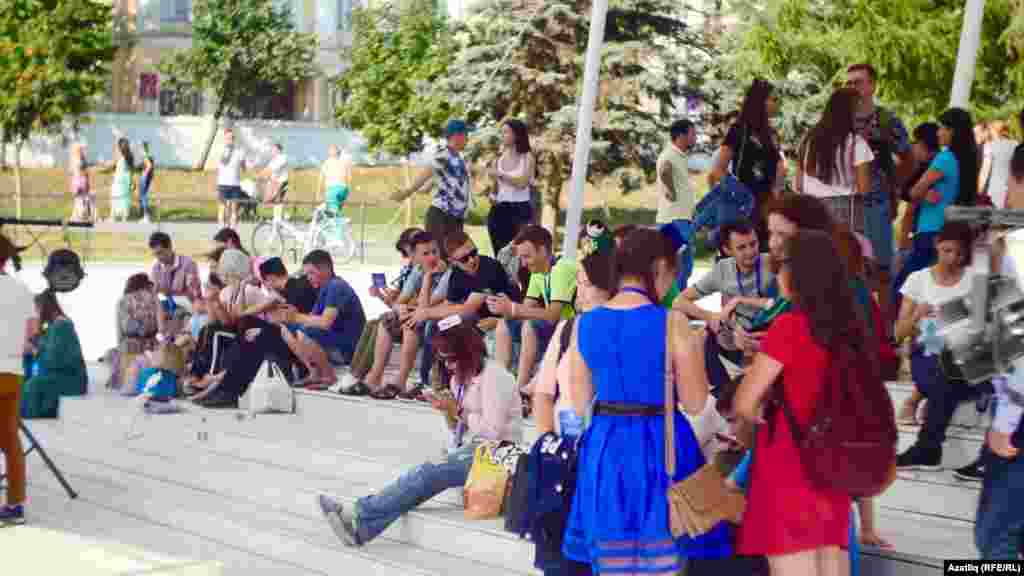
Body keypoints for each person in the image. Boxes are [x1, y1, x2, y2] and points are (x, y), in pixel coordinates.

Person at [562, 227, 730, 573]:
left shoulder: (585, 323)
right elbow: (696, 402)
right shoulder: (673, 322)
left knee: (612, 557)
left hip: (606, 447)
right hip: (661, 443)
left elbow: (578, 403)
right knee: (662, 555)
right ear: (659, 268)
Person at [317, 314, 522, 548]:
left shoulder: (495, 376)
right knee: (425, 473)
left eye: (451, 358)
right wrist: (447, 410)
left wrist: (457, 411)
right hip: (473, 448)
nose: (448, 365)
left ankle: (359, 518)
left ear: (469, 351)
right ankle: (362, 523)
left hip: (500, 454)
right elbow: (460, 427)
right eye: (443, 358)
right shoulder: (459, 379)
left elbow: (494, 433)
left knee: (428, 472)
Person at [734, 229, 868, 576]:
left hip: (790, 467)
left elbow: (745, 403)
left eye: (781, 266)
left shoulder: (789, 328)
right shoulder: (849, 330)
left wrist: (761, 407)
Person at [846, 63, 913, 330]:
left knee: (881, 272)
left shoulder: (887, 120)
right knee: (848, 272)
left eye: (859, 82)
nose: (853, 87)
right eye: (849, 83)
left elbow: (908, 158)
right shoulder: (838, 121)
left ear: (872, 85)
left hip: (876, 206)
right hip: (844, 207)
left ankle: (885, 333)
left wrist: (893, 188)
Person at [675, 218, 774, 395]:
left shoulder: (771, 264)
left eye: (753, 244)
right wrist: (711, 316)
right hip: (733, 334)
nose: (750, 252)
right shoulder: (722, 269)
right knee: (704, 337)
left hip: (767, 334)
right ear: (727, 250)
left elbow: (784, 303)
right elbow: (679, 301)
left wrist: (740, 301)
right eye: (741, 247)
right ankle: (723, 393)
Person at [892, 107, 978, 310]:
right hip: (954, 231)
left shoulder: (945, 158)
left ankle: (897, 329)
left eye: (942, 128)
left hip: (931, 231)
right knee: (938, 292)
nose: (938, 133)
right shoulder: (968, 159)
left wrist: (922, 194)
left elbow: (915, 191)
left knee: (902, 290)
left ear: (953, 131)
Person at [490, 225, 577, 398]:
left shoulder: (562, 268)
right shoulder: (538, 273)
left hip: (570, 329)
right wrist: (503, 308)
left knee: (529, 326)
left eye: (527, 256)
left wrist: (513, 308)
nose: (523, 263)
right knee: (503, 324)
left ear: (543, 251)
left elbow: (553, 315)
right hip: (554, 328)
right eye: (521, 257)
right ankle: (500, 383)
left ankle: (519, 391)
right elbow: (524, 310)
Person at [709, 79, 783, 242]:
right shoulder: (738, 130)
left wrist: (776, 194)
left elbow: (778, 166)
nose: (777, 103)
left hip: (766, 207)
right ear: (760, 102)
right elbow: (718, 169)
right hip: (744, 208)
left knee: (766, 252)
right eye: (773, 99)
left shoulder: (770, 133)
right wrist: (739, 192)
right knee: (744, 251)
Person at [279, 250, 367, 387]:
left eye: (311, 273)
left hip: (350, 349)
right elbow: (312, 318)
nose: (308, 278)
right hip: (335, 340)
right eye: (307, 274)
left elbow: (325, 322)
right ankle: (314, 373)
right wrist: (293, 315)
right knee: (286, 329)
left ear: (326, 269)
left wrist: (296, 317)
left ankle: (328, 376)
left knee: (304, 332)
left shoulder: (336, 286)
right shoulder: (325, 288)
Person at [794, 88, 874, 231]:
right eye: (860, 109)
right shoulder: (856, 143)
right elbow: (864, 188)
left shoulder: (807, 140)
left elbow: (798, 185)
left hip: (810, 211)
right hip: (846, 212)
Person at [392, 119, 471, 257]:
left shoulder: (458, 158)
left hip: (455, 217)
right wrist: (407, 192)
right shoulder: (444, 155)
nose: (467, 139)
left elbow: (439, 179)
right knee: (441, 257)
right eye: (466, 135)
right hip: (442, 216)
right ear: (456, 136)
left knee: (455, 257)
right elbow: (427, 172)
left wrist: (426, 189)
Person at [0, 233, 33, 525]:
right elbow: (32, 331)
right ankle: (15, 505)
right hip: (13, 372)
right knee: (11, 441)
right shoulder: (21, 289)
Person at [21, 291, 88, 419]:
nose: (36, 313)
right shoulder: (52, 325)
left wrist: (36, 349)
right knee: (27, 377)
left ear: (45, 307)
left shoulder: (61, 325)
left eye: (37, 309)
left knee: (33, 384)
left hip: (72, 380)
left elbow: (54, 360)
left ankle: (26, 417)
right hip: (60, 375)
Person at [487, 119, 536, 255]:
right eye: (502, 132)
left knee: (519, 254)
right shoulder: (498, 160)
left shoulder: (527, 157)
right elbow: (495, 189)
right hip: (499, 211)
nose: (502, 135)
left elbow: (522, 183)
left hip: (520, 211)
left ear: (517, 134)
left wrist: (500, 174)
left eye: (506, 132)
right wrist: (492, 195)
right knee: (500, 255)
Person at [113, 273, 162, 392]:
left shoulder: (123, 300)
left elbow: (122, 328)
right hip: (149, 344)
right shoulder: (153, 299)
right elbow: (160, 327)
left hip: (131, 344)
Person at [657, 118, 699, 225]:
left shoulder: (679, 155)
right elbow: (664, 171)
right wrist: (671, 192)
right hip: (674, 220)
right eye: (693, 134)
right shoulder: (670, 154)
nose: (696, 138)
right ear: (681, 136)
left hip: (679, 218)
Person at [978, 120, 1019, 209]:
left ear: (993, 131)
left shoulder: (989, 146)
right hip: (1012, 190)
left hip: (994, 191)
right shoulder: (1016, 145)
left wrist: (978, 191)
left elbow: (985, 172)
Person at [215, 127, 250, 228]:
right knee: (222, 208)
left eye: (231, 138)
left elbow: (244, 167)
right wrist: (228, 150)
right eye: (227, 138)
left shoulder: (239, 151)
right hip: (223, 184)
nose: (229, 140)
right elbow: (222, 162)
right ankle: (222, 229)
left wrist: (243, 164)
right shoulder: (220, 150)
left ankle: (233, 230)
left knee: (234, 209)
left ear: (234, 139)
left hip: (235, 184)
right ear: (224, 139)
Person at [319, 144, 353, 215]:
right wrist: (349, 189)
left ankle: (335, 217)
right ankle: (337, 216)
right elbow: (349, 176)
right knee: (336, 208)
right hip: (343, 189)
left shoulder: (327, 162)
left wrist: (319, 191)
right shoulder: (345, 162)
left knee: (331, 210)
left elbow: (321, 177)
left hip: (332, 189)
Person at [106, 137, 135, 222]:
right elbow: (131, 170)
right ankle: (124, 218)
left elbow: (111, 165)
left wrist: (104, 165)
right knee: (125, 198)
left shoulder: (119, 156)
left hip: (119, 179)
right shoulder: (130, 156)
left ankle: (113, 217)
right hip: (126, 179)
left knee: (115, 196)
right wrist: (132, 181)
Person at [261, 142, 289, 222]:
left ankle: (280, 217)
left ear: (279, 150)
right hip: (273, 182)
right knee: (270, 202)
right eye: (272, 150)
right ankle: (280, 217)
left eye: (274, 150)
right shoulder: (273, 160)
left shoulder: (283, 158)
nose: (272, 151)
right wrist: (261, 175)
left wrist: (263, 174)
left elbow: (272, 169)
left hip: (281, 182)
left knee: (277, 201)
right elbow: (267, 169)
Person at [68, 142, 95, 223]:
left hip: (81, 182)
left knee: (82, 200)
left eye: (80, 150)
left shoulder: (79, 159)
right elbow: (78, 171)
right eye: (79, 150)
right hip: (79, 182)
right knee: (80, 200)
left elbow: (82, 172)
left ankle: (81, 215)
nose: (81, 151)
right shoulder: (76, 160)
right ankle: (80, 216)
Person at [139, 141, 155, 223]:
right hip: (148, 177)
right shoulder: (149, 156)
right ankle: (145, 216)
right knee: (144, 196)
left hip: (144, 178)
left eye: (140, 148)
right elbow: (151, 167)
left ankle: (146, 216)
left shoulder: (145, 156)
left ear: (143, 148)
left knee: (143, 196)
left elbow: (149, 166)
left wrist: (144, 174)